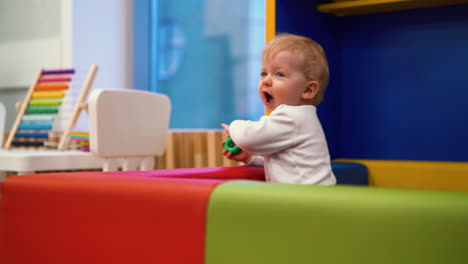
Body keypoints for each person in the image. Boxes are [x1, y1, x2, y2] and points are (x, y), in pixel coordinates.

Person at [222, 33, 336, 185]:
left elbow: (247, 137)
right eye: (263, 73)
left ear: (308, 90)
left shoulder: (292, 117)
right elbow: (284, 163)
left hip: (310, 203)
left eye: (279, 74)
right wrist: (249, 158)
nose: (267, 81)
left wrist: (235, 125)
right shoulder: (298, 119)